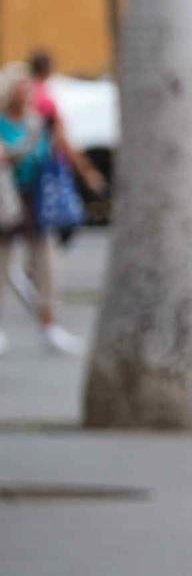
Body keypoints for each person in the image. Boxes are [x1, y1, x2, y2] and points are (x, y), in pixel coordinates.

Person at [0, 61, 106, 356]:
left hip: (37, 199)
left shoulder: (38, 121)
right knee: (3, 262)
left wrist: (85, 174)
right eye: (18, 90)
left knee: (47, 262)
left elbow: (60, 148)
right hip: (6, 199)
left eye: (26, 90)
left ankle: (49, 324)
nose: (23, 95)